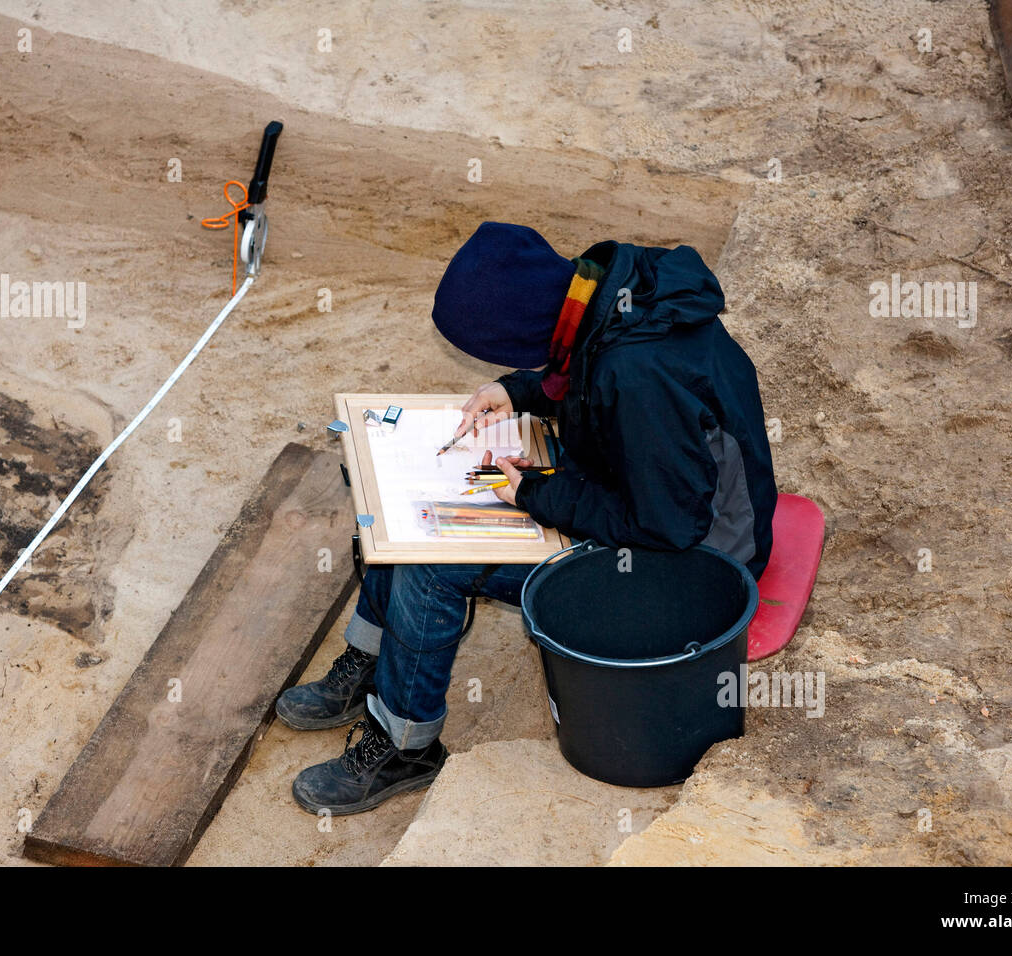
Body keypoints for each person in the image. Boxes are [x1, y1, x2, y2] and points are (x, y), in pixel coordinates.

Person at [278, 221, 777, 815]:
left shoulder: (637, 374)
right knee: (397, 515)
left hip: (692, 567)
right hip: (647, 489)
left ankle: (404, 746)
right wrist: (518, 391)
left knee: (431, 563)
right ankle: (372, 663)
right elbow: (590, 378)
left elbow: (667, 526)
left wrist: (539, 494)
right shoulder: (618, 296)